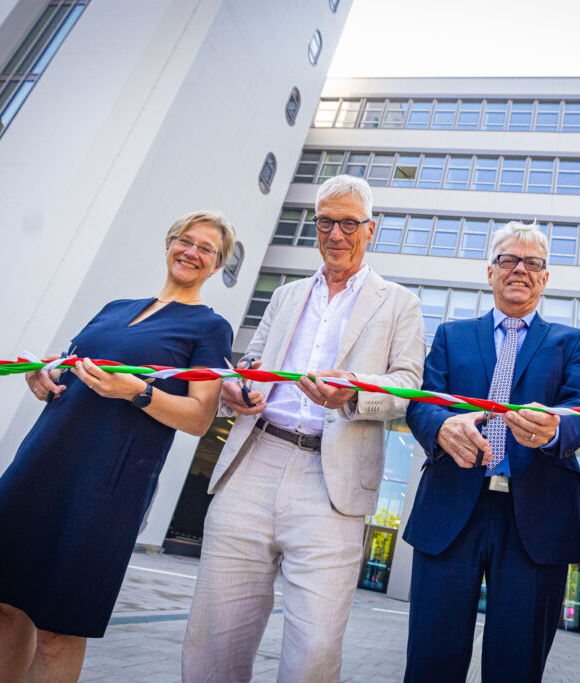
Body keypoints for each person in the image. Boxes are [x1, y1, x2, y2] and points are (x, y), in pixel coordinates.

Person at [0, 210, 236, 682]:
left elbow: (200, 417)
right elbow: (65, 365)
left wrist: (137, 392)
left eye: (206, 248)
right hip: (45, 459)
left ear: (217, 265)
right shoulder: (114, 307)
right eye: (186, 240)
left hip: (109, 482)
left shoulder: (210, 327)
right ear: (168, 245)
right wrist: (41, 373)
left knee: (59, 629)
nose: (192, 252)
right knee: (4, 607)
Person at [181, 175, 426, 683]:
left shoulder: (399, 302)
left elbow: (407, 385)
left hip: (331, 482)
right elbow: (252, 361)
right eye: (326, 222)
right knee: (213, 639)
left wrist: (355, 391)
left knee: (314, 651)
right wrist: (236, 385)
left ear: (370, 229)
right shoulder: (287, 295)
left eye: (349, 223)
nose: (336, 234)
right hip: (253, 461)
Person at [403, 221, 580, 683]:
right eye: (509, 260)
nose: (520, 270)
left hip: (537, 518)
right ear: (490, 271)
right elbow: (423, 403)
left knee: (516, 666)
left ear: (545, 278)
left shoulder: (571, 342)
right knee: (431, 662)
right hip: (452, 510)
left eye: (533, 263)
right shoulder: (452, 335)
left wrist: (554, 429)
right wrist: (442, 426)